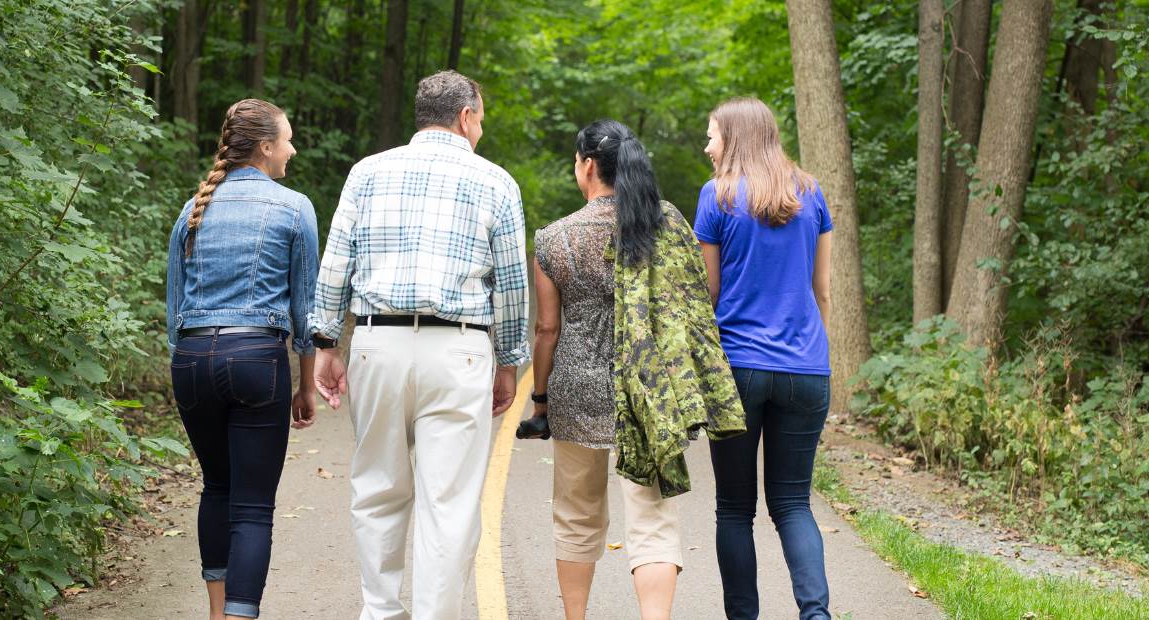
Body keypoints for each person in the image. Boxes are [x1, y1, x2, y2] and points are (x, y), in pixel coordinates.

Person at [308, 70, 529, 620]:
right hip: (459, 350)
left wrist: (326, 342)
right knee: (448, 503)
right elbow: (511, 282)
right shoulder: (496, 181)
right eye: (480, 119)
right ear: (465, 117)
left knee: (377, 489)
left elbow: (336, 263)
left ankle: (381, 611)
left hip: (377, 342)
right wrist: (509, 361)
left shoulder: (367, 172)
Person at [523, 119, 744, 620]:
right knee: (652, 520)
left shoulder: (555, 238)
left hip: (577, 390)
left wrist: (540, 402)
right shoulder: (666, 224)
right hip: (650, 388)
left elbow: (547, 330)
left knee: (576, 515)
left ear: (587, 166)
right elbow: (694, 301)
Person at [165, 99, 319, 620]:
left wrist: (187, 370)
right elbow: (305, 311)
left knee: (217, 487)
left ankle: (216, 614)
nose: (293, 150)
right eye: (288, 140)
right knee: (252, 508)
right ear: (266, 146)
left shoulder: (193, 208)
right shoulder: (294, 207)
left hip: (191, 361)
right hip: (256, 358)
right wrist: (305, 384)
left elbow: (175, 308)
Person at [695, 97, 835, 620]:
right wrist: (816, 352)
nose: (707, 147)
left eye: (712, 136)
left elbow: (708, 293)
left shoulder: (716, 196)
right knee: (794, 503)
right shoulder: (811, 193)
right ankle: (816, 614)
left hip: (738, 368)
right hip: (807, 368)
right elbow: (822, 290)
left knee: (735, 508)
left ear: (735, 138)